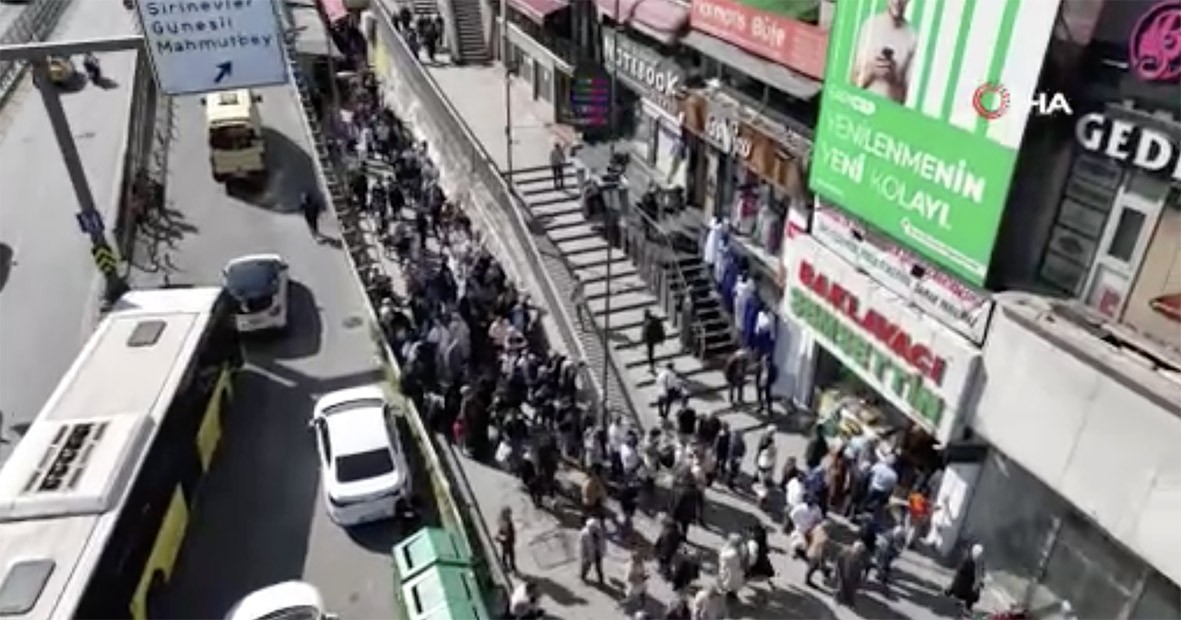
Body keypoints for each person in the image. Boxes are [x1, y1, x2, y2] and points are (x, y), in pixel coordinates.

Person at [851, 0, 917, 104]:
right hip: (861, 106)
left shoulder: (912, 37)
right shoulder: (870, 25)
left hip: (887, 113)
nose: (897, 1)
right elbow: (853, 84)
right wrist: (872, 70)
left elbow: (902, 100)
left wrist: (893, 79)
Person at [945, 544, 985, 615]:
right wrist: (979, 583)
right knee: (975, 590)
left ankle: (950, 591)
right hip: (963, 591)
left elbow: (959, 573)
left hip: (957, 588)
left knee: (962, 581)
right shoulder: (976, 563)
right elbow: (978, 577)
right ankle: (967, 608)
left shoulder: (966, 559)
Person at [834, 540, 869, 606]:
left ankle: (848, 600)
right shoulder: (845, 552)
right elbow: (838, 562)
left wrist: (860, 576)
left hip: (853, 575)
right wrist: (837, 572)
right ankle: (838, 599)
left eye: (860, 551)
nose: (859, 552)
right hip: (843, 572)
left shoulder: (860, 556)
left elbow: (861, 565)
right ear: (854, 548)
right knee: (841, 587)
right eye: (858, 550)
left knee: (851, 588)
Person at [716, 533, 746, 601]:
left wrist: (720, 553)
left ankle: (726, 595)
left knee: (726, 581)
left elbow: (724, 557)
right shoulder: (741, 550)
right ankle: (732, 594)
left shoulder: (732, 552)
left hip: (729, 570)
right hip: (736, 571)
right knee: (733, 583)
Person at [804, 520, 833, 588]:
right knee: (813, 567)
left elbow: (809, 535)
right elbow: (822, 550)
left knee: (813, 567)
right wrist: (822, 559)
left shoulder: (817, 528)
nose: (830, 530)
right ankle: (807, 580)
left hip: (811, 550)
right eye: (829, 528)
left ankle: (826, 574)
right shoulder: (825, 538)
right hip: (817, 555)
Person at [578, 517, 606, 583]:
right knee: (586, 566)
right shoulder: (585, 533)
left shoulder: (599, 532)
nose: (595, 529)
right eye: (593, 527)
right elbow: (582, 546)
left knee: (598, 568)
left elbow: (603, 543)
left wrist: (603, 551)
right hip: (589, 554)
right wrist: (583, 555)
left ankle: (601, 580)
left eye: (595, 527)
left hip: (598, 553)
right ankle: (583, 576)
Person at [495, 506, 517, 573]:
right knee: (507, 553)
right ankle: (506, 566)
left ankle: (510, 565)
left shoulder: (504, 519)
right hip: (507, 540)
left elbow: (502, 530)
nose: (510, 515)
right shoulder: (505, 522)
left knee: (509, 553)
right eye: (509, 513)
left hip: (507, 540)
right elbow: (506, 531)